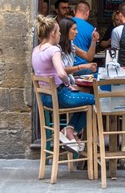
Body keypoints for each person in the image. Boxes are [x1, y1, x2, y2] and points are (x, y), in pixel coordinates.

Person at [32, 15, 94, 152]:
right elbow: (61, 73)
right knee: (94, 100)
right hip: (61, 95)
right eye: (59, 31)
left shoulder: (36, 50)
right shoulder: (54, 50)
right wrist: (68, 84)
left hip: (45, 99)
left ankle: (69, 130)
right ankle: (70, 130)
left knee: (85, 101)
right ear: (53, 33)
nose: (60, 34)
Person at [58, 17, 97, 87]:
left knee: (98, 76)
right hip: (63, 86)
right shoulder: (57, 48)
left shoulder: (71, 45)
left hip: (70, 83)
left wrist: (93, 41)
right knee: (93, 97)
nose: (77, 32)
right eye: (74, 29)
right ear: (66, 31)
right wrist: (81, 67)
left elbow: (89, 57)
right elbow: (61, 70)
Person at [71, 1, 100, 74]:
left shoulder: (65, 24)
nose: (76, 32)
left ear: (74, 11)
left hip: (68, 68)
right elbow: (90, 56)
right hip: (82, 67)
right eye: (74, 29)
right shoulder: (90, 29)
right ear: (87, 13)